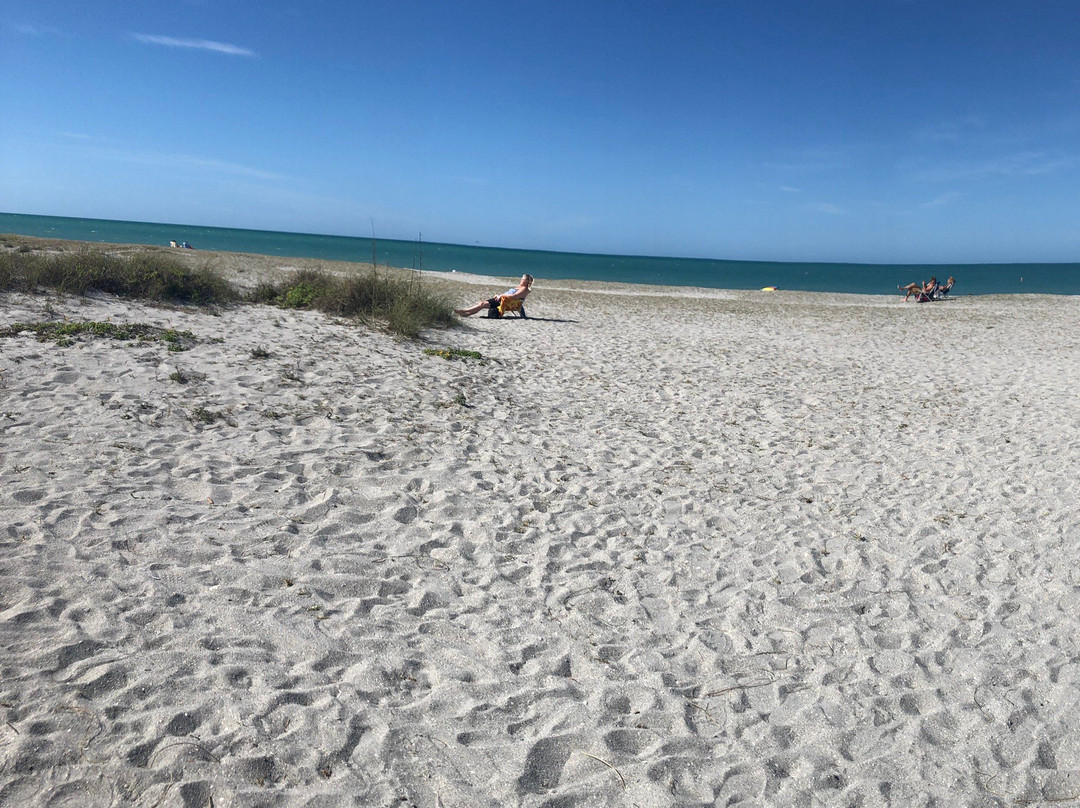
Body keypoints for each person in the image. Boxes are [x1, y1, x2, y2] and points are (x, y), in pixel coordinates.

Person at [454, 274, 534, 317]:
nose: (521, 280)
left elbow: (514, 296)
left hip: (504, 301)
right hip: (502, 299)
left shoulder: (524, 289)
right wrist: (500, 295)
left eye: (522, 279)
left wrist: (501, 296)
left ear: (527, 281)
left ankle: (464, 311)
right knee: (481, 303)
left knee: (482, 304)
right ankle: (467, 313)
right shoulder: (521, 287)